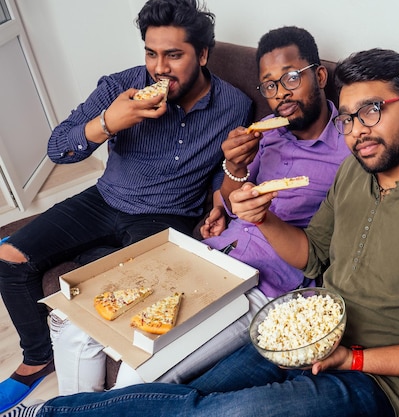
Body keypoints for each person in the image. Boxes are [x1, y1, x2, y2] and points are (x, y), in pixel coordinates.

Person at [1, 48, 399, 417]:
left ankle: (48, 414)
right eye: (348, 118)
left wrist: (355, 357)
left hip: (380, 381)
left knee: (223, 414)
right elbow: (313, 253)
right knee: (199, 392)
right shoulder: (355, 171)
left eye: (372, 111)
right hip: (303, 332)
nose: (356, 132)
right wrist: (264, 218)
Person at [51, 26, 351, 392]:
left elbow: (337, 245)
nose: (281, 94)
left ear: (319, 76)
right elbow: (226, 196)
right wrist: (235, 171)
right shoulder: (267, 134)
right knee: (76, 330)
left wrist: (254, 214)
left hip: (266, 285)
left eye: (291, 78)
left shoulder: (350, 149)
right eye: (269, 86)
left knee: (139, 374)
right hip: (208, 257)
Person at [0, 0, 252, 411]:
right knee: (8, 257)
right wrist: (107, 124)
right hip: (105, 198)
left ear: (203, 54)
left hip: (167, 215)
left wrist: (216, 204)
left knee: (115, 292)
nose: (159, 67)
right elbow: (58, 148)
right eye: (151, 53)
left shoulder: (234, 106)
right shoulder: (120, 87)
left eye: (174, 55)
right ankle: (37, 357)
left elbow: (218, 171)